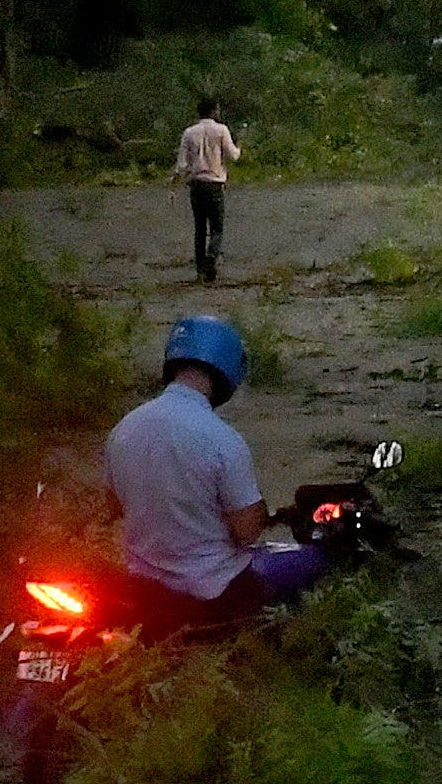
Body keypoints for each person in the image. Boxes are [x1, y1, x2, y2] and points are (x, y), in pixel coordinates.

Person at [106, 314, 320, 627]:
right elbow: (247, 532)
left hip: (143, 586)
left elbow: (114, 505)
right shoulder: (222, 439)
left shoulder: (123, 429)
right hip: (212, 591)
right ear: (228, 371)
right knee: (313, 565)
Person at [172, 94, 240, 281]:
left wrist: (173, 182)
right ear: (214, 111)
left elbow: (182, 164)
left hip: (196, 184)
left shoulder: (189, 132)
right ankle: (212, 256)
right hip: (215, 183)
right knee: (217, 227)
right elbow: (233, 155)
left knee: (200, 228)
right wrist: (239, 146)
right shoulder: (221, 130)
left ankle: (201, 269)